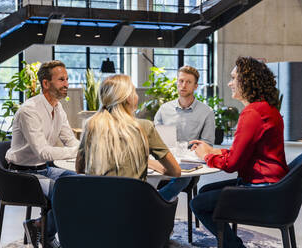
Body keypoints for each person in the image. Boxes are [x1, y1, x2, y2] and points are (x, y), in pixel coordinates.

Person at [189, 56, 289, 248]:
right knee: (205, 191)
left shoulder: (252, 113)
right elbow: (246, 152)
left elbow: (232, 165)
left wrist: (206, 156)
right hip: (275, 185)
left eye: (234, 78)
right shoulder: (267, 109)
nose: (230, 83)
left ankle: (234, 246)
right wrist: (214, 150)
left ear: (248, 81)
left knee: (198, 204)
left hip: (263, 189)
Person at [5, 60, 79, 248]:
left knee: (80, 183)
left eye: (67, 79)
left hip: (44, 170)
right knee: (65, 192)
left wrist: (83, 151)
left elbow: (70, 140)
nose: (67, 84)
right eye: (61, 80)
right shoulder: (29, 110)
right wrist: (77, 152)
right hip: (22, 175)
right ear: (46, 83)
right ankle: (51, 236)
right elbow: (43, 151)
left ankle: (39, 226)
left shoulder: (58, 108)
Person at [75, 74, 181, 182]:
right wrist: (150, 163)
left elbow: (80, 168)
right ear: (129, 98)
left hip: (96, 198)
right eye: (134, 91)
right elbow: (175, 171)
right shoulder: (143, 127)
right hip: (134, 198)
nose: (137, 96)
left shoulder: (91, 125)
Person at [151, 65, 215, 201]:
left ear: (196, 86)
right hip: (165, 159)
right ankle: (154, 206)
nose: (183, 85)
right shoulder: (164, 109)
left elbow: (207, 144)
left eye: (188, 82)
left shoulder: (207, 112)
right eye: (181, 81)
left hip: (190, 163)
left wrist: (195, 150)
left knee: (181, 179)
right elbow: (154, 137)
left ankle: (154, 203)